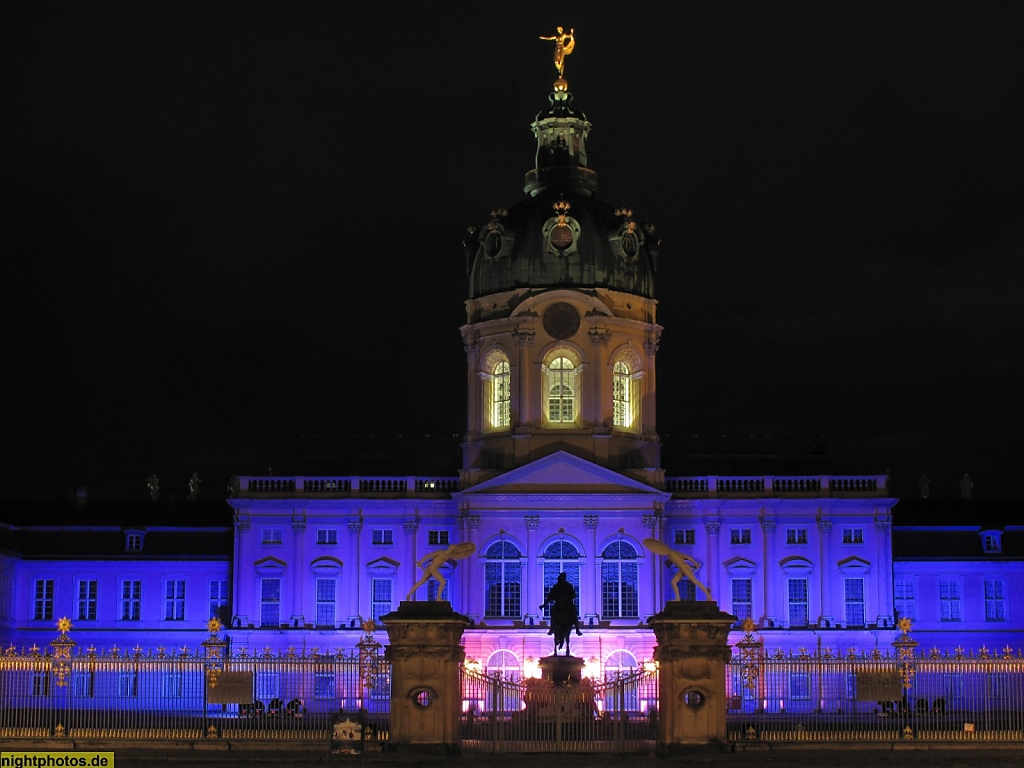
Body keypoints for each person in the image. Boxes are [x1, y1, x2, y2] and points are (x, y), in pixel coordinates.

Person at [405, 541, 475, 601]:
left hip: (431, 568)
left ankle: (409, 594)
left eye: (453, 549)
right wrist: (421, 562)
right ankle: (438, 598)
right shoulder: (441, 552)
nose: (452, 549)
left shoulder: (449, 556)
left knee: (421, 582)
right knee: (442, 582)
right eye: (452, 548)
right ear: (450, 548)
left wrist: (468, 548)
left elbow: (460, 552)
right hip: (432, 569)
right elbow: (429, 555)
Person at [539, 572, 582, 655]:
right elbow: (550, 596)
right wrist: (544, 605)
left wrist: (567, 597)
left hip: (567, 603)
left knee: (574, 612)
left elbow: (573, 595)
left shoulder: (568, 586)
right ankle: (552, 628)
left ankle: (577, 629)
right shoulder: (556, 586)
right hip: (558, 604)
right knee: (553, 612)